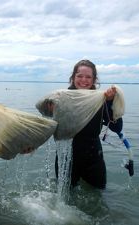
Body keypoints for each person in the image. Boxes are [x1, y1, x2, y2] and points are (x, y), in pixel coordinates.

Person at [49, 59, 123, 189]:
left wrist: (111, 103)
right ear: (73, 77)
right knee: (64, 199)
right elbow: (48, 127)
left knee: (98, 195)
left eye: (88, 77)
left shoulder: (101, 100)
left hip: (93, 157)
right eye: (80, 76)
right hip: (66, 157)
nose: (84, 80)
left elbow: (117, 128)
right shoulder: (61, 99)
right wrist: (51, 111)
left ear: (94, 79)